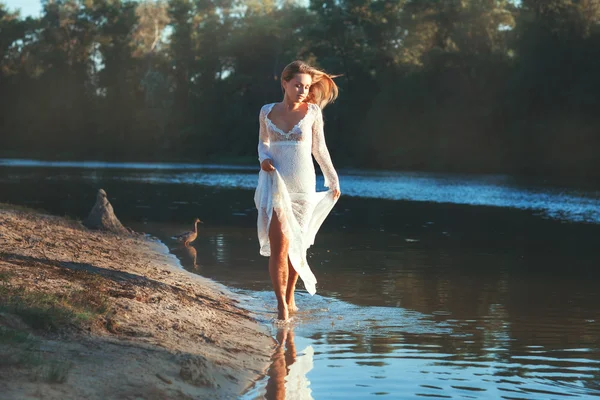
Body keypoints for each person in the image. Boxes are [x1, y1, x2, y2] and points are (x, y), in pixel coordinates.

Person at [254, 60, 341, 321]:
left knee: (296, 248)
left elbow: (319, 149)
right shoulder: (266, 111)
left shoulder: (312, 112)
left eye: (305, 87)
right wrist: (263, 159)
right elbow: (263, 143)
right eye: (297, 85)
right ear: (284, 83)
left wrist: (333, 180)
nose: (302, 91)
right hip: (275, 184)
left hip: (303, 186)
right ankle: (281, 304)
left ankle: (290, 296)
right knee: (279, 246)